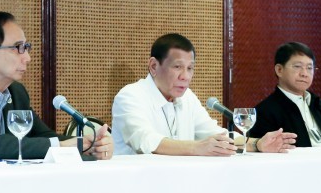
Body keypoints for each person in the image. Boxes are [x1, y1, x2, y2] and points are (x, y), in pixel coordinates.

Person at [0, 12, 113, 162]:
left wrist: (87, 144)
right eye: (18, 47)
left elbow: (42, 136)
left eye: (26, 47)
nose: (27, 58)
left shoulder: (16, 92)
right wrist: (66, 146)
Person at [112, 33, 297, 156]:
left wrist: (257, 144)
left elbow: (217, 135)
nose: (185, 76)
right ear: (154, 66)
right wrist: (198, 147)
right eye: (177, 67)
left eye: (190, 68)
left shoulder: (187, 97)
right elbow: (145, 142)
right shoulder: (130, 96)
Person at [249, 42, 321, 147]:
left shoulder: (319, 105)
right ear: (279, 70)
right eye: (297, 66)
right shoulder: (264, 111)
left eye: (309, 68)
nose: (304, 73)